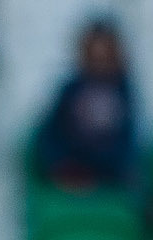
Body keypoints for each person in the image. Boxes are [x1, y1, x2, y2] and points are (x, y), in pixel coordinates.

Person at [31, 17, 139, 194]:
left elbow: (127, 140)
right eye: (95, 55)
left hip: (111, 177)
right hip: (70, 173)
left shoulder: (124, 92)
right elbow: (50, 134)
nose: (100, 62)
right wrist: (62, 166)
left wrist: (110, 171)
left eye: (105, 55)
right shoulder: (70, 90)